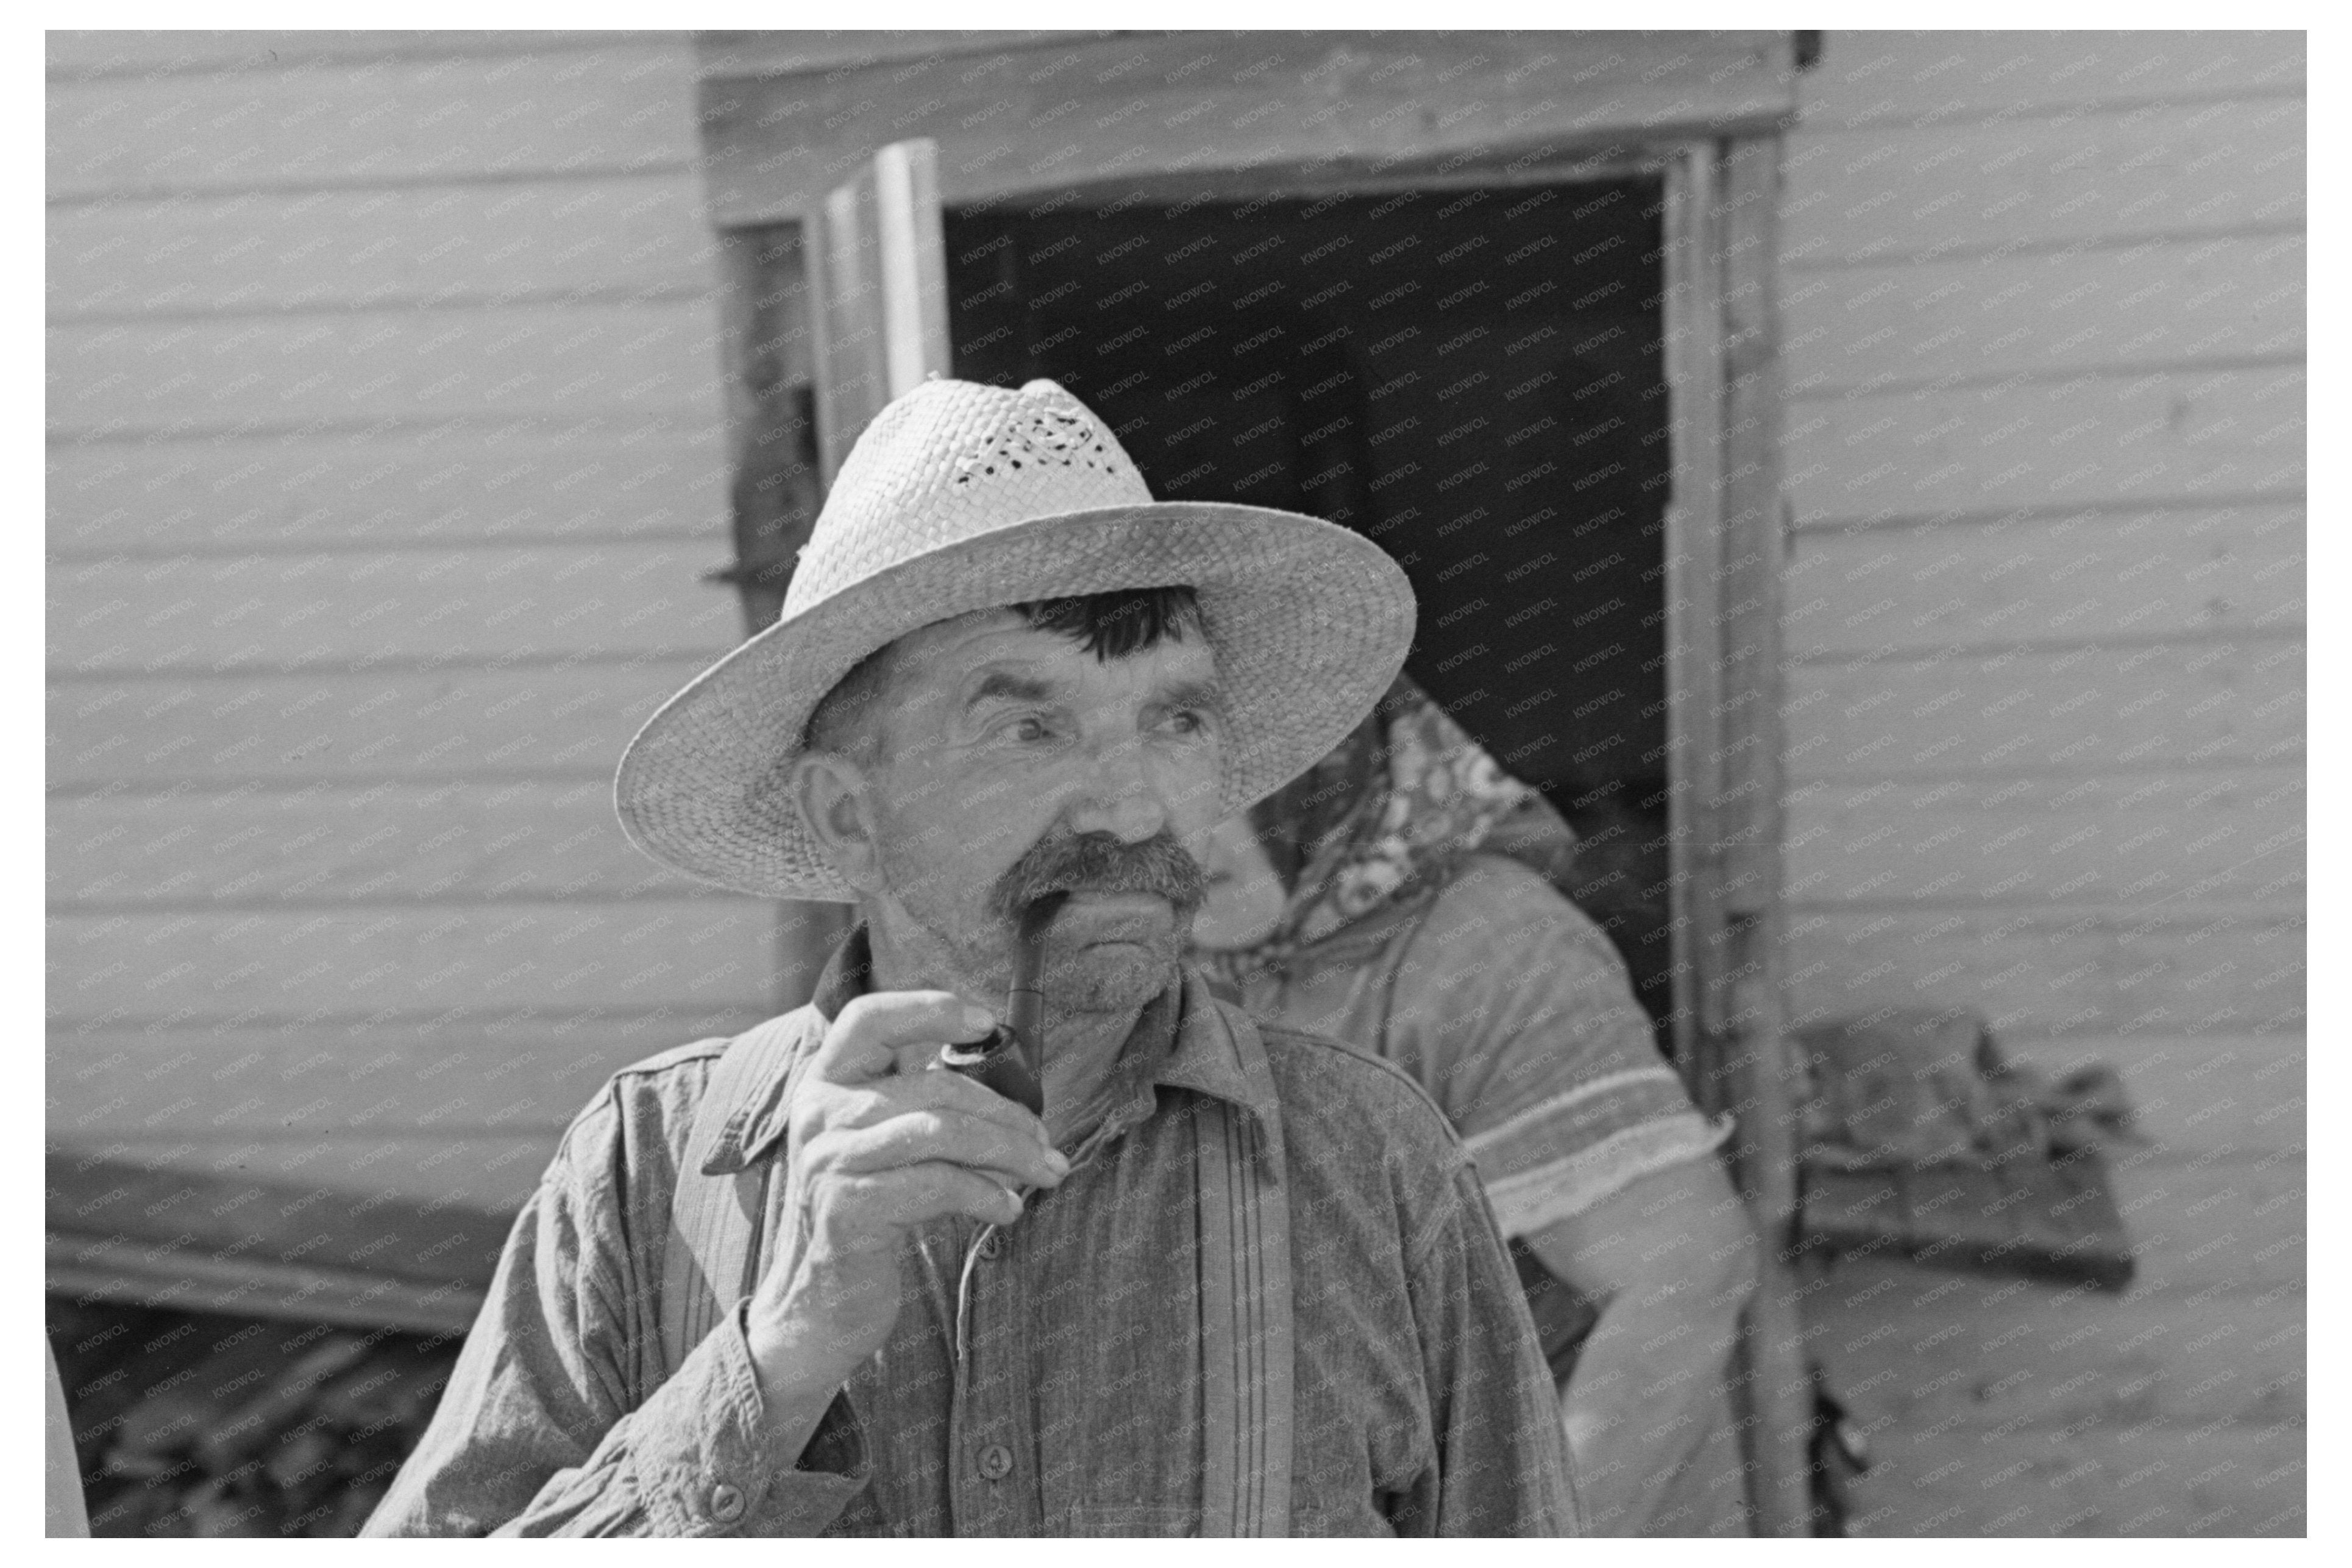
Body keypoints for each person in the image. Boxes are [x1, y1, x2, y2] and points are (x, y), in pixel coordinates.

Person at [365, 377, 1579, 1536]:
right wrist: (778, 1358)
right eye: (1028, 727)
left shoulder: (1369, 1165)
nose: (1135, 809)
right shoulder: (643, 1175)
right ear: (849, 813)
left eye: (1175, 719)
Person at [1187, 676, 1761, 1536]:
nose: (1181, 828)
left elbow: (1684, 1277)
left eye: (1236, 775)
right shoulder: (1166, 957)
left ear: (1333, 764)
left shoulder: (1486, 942)